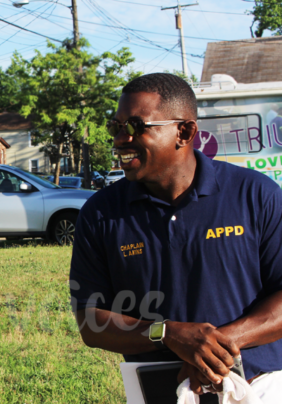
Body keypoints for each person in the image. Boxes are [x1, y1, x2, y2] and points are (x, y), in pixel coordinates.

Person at [69, 73, 282, 402]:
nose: (120, 139)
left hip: (256, 387)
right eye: (116, 126)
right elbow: (90, 321)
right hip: (160, 391)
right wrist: (167, 334)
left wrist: (213, 347)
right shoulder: (100, 214)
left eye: (135, 126)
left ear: (184, 131)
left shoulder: (255, 195)